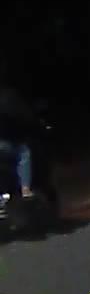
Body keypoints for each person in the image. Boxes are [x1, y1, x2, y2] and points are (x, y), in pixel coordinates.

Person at [0, 69, 36, 198]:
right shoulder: (7, 96)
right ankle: (25, 188)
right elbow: (25, 115)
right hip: (6, 144)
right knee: (24, 153)